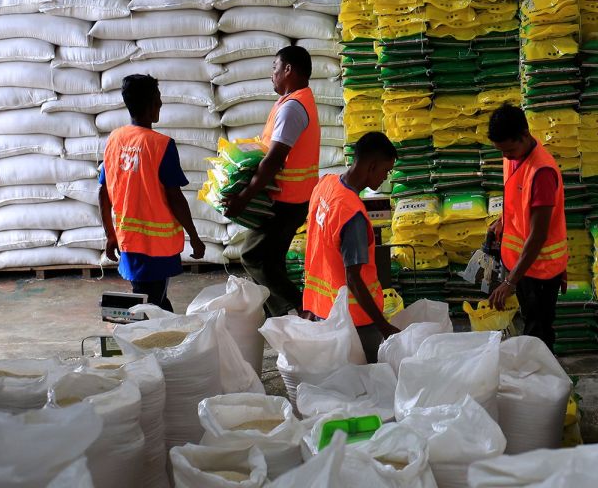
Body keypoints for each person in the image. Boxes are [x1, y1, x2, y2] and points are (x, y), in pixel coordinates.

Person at [226, 45, 320, 318]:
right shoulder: (295, 100)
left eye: (275, 68)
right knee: (272, 262)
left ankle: (301, 310)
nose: (272, 75)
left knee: (253, 257)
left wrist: (244, 198)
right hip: (291, 198)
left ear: (288, 69)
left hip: (284, 201)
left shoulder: (293, 107)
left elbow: (275, 159)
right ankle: (281, 316)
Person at [99, 74, 205, 310]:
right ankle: (143, 343)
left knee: (152, 298)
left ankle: (161, 338)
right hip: (156, 246)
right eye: (158, 99)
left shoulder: (114, 139)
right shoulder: (161, 145)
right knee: (150, 305)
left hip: (129, 241)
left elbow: (103, 193)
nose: (161, 104)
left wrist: (110, 233)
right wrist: (194, 237)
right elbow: (175, 198)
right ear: (151, 106)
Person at [303, 132, 400, 363]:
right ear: (372, 166)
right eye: (386, 171)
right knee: (366, 384)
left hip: (322, 310)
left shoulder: (325, 185)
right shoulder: (352, 214)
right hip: (355, 321)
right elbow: (354, 279)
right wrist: (383, 326)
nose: (385, 179)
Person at [486, 104, 568, 351]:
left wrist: (510, 281)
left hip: (540, 271)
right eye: (502, 152)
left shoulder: (541, 173)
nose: (507, 156)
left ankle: (545, 384)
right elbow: (516, 200)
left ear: (524, 135)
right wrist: (502, 222)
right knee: (529, 329)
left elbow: (539, 234)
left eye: (510, 150)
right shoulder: (513, 155)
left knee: (538, 334)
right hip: (522, 266)